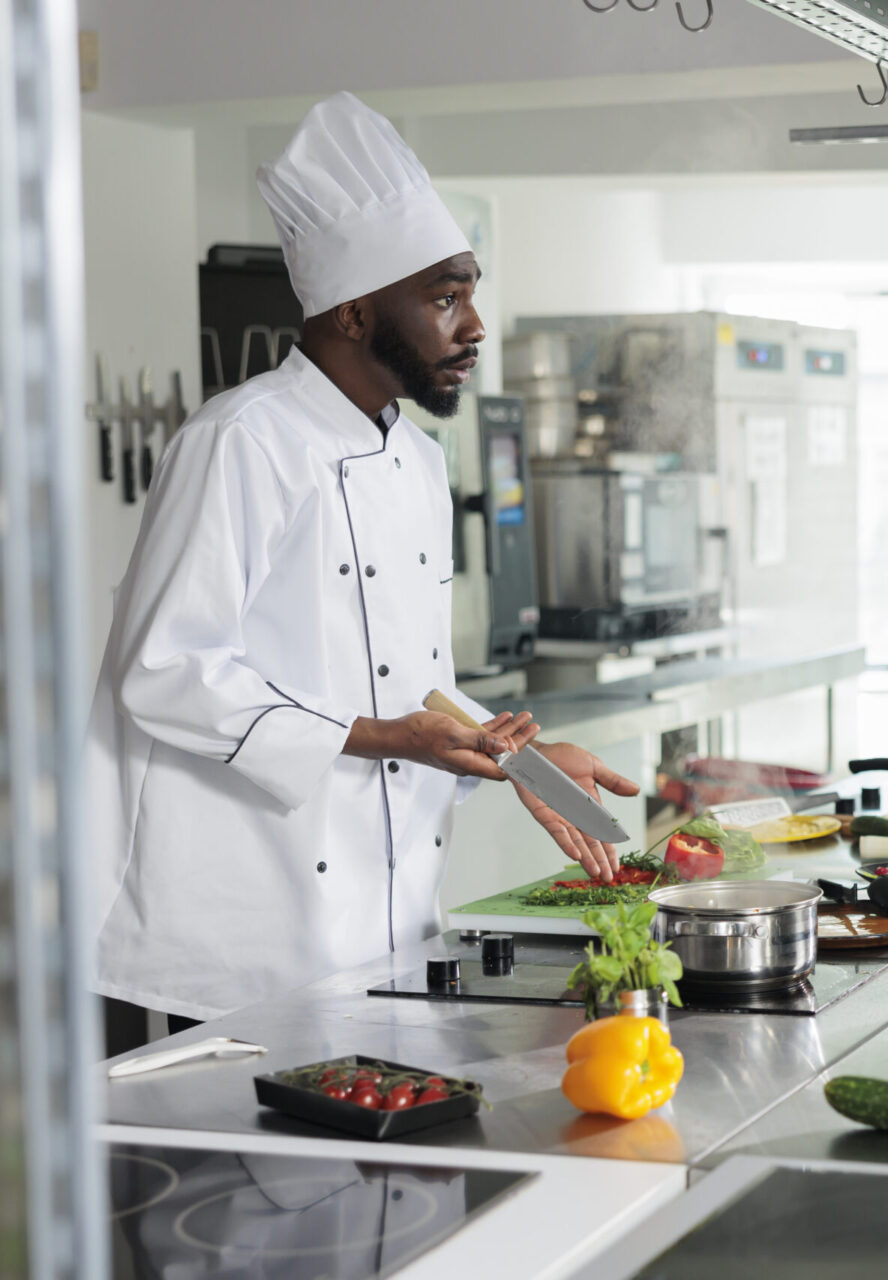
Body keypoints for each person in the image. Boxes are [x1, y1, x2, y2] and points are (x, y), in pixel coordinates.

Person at [92, 93, 636, 1048]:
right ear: (351, 310)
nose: (473, 325)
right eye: (443, 297)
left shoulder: (417, 461)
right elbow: (166, 668)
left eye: (470, 292)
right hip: (230, 950)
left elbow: (402, 685)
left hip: (380, 938)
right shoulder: (242, 440)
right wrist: (390, 736)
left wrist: (532, 766)